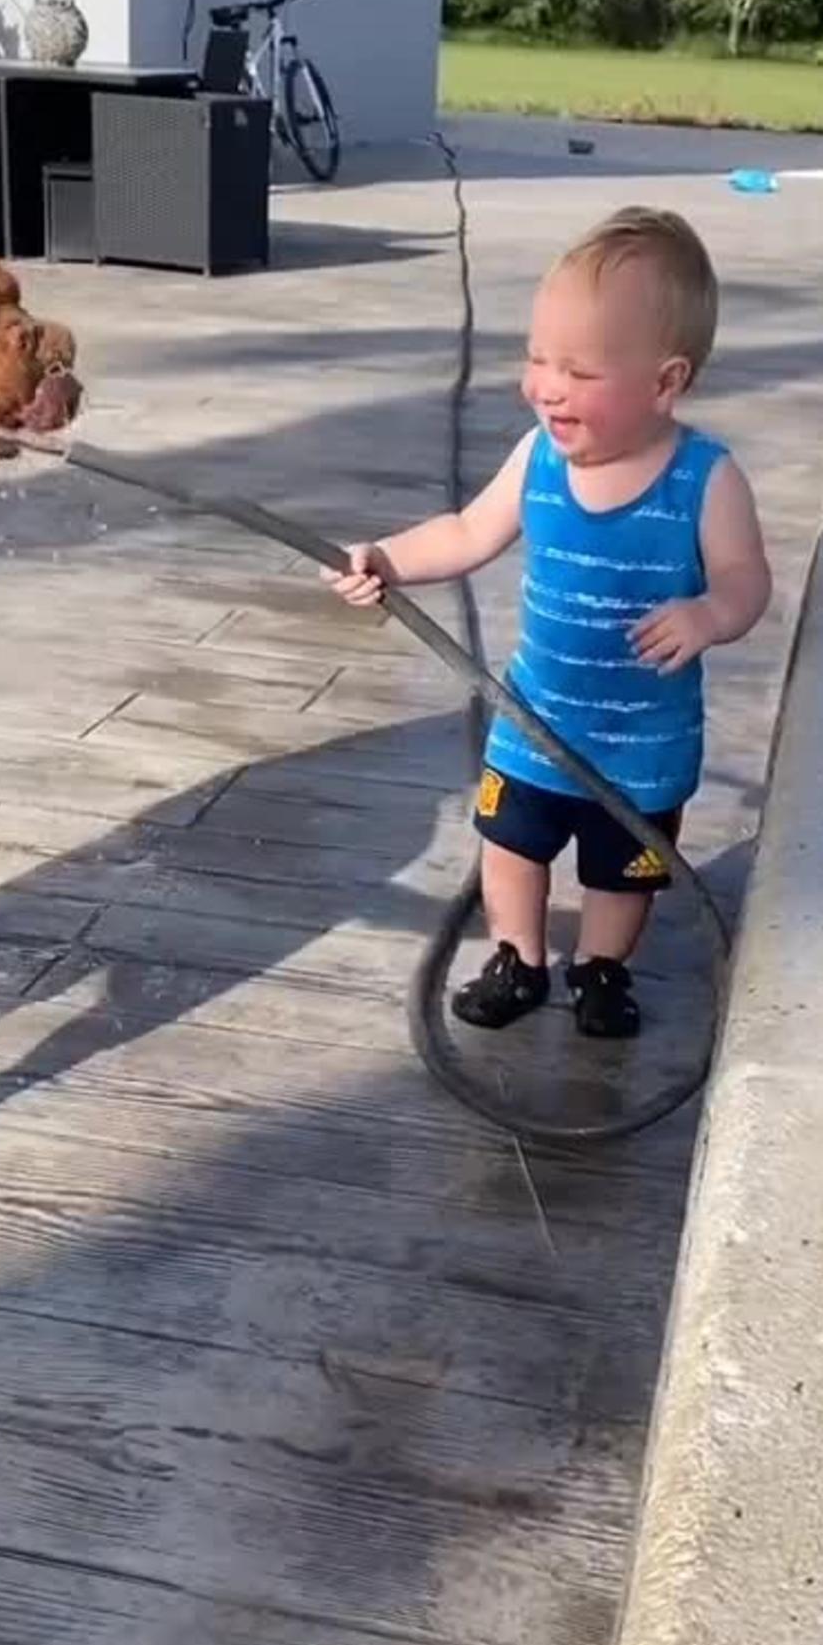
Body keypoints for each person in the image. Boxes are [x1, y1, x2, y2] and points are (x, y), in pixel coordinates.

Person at [326, 205, 772, 1040]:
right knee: (511, 846)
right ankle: (518, 957)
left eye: (579, 370)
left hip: (641, 745)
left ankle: (602, 968)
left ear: (665, 383)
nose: (546, 386)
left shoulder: (706, 480)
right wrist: (385, 558)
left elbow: (749, 581)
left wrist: (711, 613)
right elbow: (464, 533)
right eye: (537, 359)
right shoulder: (537, 458)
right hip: (535, 724)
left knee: (622, 873)